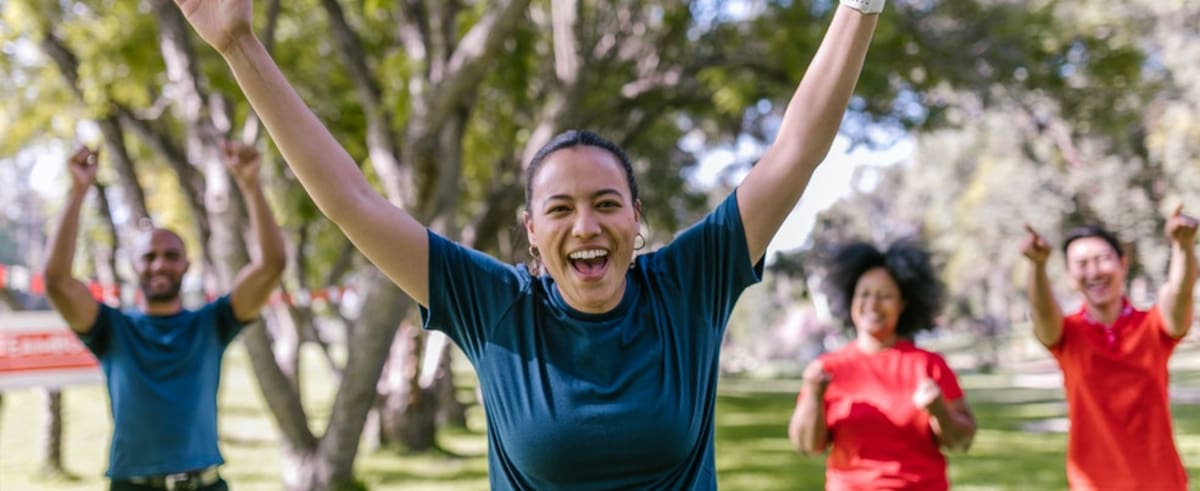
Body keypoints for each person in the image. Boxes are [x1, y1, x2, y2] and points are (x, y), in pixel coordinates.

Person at [175, 0, 882, 486]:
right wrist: (239, 45)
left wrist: (861, 7)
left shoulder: (689, 285)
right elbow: (349, 200)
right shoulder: (494, 305)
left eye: (607, 204)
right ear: (532, 231)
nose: (586, 226)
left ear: (636, 218)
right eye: (561, 208)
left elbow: (794, 151)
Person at [42, 142, 286, 490]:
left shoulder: (212, 324)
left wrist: (250, 185)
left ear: (187, 265)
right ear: (134, 266)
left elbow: (271, 265)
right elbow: (57, 281)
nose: (160, 264)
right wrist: (78, 191)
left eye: (171, 255)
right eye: (149, 256)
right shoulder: (112, 330)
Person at [1022, 210, 1195, 490]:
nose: (1093, 272)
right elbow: (1042, 311)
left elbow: (1180, 292)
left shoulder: (1153, 326)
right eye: (1081, 264)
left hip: (1162, 482)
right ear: (1069, 275)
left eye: (1102, 259)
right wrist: (1038, 266)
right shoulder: (1067, 335)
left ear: (1123, 264)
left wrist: (1183, 247)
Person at [788, 240, 976, 490]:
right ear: (850, 298)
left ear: (903, 304)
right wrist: (813, 395)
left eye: (885, 295)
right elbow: (806, 446)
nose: (873, 304)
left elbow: (961, 442)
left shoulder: (929, 365)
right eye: (864, 294)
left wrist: (939, 409)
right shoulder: (825, 370)